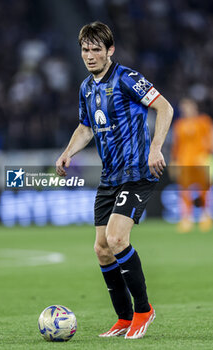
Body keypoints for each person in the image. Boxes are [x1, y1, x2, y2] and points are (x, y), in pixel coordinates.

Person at [56, 21, 173, 339]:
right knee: (102, 249)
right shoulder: (86, 88)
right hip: (110, 177)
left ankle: (144, 310)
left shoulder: (127, 78)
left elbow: (164, 107)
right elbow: (86, 127)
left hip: (137, 174)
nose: (90, 55)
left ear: (110, 50)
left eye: (96, 49)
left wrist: (156, 147)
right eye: (85, 49)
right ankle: (123, 318)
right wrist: (68, 152)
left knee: (117, 239)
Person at [171, 98, 212, 233]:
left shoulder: (204, 121)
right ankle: (186, 219)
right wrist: (174, 161)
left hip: (200, 161)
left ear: (194, 108)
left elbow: (209, 139)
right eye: (184, 108)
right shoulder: (179, 124)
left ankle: (205, 216)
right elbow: (176, 145)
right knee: (185, 191)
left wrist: (206, 154)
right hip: (184, 161)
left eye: (188, 107)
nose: (186, 110)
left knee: (203, 191)